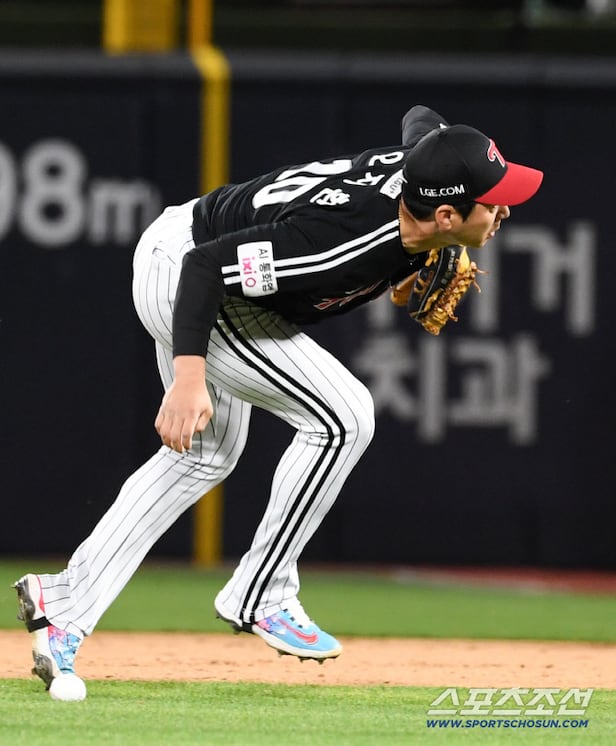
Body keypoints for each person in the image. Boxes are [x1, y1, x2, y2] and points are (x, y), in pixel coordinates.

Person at [14, 105, 543, 698]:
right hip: (188, 275)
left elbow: (422, 119)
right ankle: (261, 593)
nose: (504, 209)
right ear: (445, 213)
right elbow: (206, 269)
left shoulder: (423, 173)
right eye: (492, 201)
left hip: (198, 254)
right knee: (345, 417)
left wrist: (435, 246)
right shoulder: (338, 241)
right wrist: (189, 378)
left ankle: (63, 603)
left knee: (204, 456)